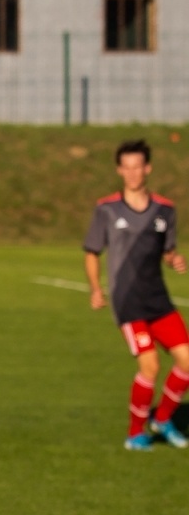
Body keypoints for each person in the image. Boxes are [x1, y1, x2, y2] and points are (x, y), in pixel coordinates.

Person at [83, 138, 188, 450]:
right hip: (127, 300)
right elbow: (92, 252)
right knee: (151, 367)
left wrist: (175, 259)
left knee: (186, 361)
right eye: (126, 167)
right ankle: (135, 433)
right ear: (119, 170)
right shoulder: (106, 209)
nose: (132, 173)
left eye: (137, 167)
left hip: (158, 298)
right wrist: (96, 289)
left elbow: (167, 252)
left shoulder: (165, 210)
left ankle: (163, 419)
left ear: (147, 169)